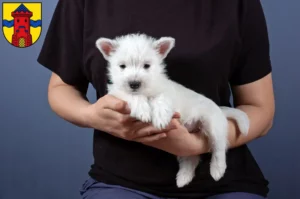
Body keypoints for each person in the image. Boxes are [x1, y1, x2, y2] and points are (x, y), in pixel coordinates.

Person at [37, 0, 275, 198]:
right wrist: (92, 116)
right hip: (122, 182)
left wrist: (198, 145)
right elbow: (60, 88)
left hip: (223, 185)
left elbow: (261, 109)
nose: (134, 78)